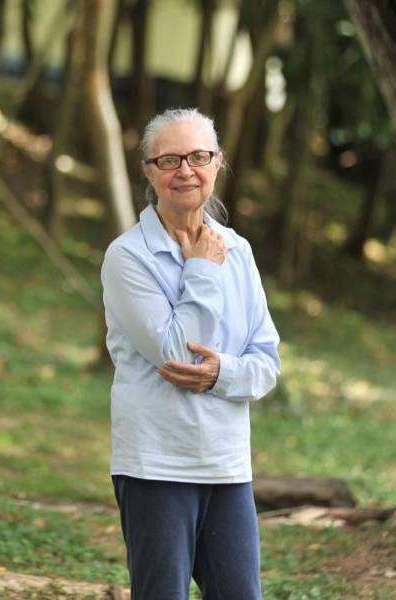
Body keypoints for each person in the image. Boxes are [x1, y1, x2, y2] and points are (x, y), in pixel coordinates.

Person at [100, 107, 281, 600]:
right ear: (149, 171)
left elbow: (267, 361)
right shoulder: (128, 257)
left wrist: (221, 372)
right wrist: (201, 270)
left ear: (218, 163)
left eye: (199, 156)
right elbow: (176, 352)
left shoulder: (239, 251)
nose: (186, 171)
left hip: (227, 464)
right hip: (155, 464)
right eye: (170, 159)